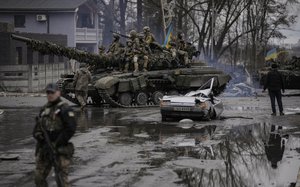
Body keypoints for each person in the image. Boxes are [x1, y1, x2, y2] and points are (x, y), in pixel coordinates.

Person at [33, 83, 76, 187]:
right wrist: (39, 136)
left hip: (59, 150)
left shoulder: (65, 109)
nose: (50, 95)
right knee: (38, 177)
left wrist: (56, 143)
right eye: (48, 92)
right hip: (44, 149)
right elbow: (38, 128)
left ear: (58, 93)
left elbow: (70, 129)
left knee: (61, 180)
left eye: (52, 92)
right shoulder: (44, 109)